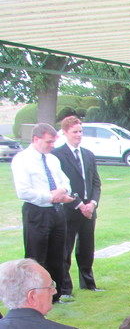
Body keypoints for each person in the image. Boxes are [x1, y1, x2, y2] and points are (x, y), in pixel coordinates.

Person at [11, 122, 76, 303]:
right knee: (36, 256)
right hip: (37, 212)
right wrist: (50, 197)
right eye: (48, 142)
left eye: (53, 142)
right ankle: (32, 295)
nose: (51, 146)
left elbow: (65, 181)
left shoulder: (52, 159)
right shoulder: (22, 159)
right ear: (35, 139)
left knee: (58, 254)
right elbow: (23, 191)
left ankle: (54, 295)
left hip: (57, 212)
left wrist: (61, 192)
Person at [52, 116, 103, 297]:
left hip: (89, 211)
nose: (79, 135)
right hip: (69, 210)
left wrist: (92, 204)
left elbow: (96, 183)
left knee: (87, 249)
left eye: (80, 131)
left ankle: (88, 283)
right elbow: (60, 184)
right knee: (65, 250)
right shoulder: (57, 155)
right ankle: (65, 289)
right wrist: (79, 204)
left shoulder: (88, 154)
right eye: (75, 132)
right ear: (65, 133)